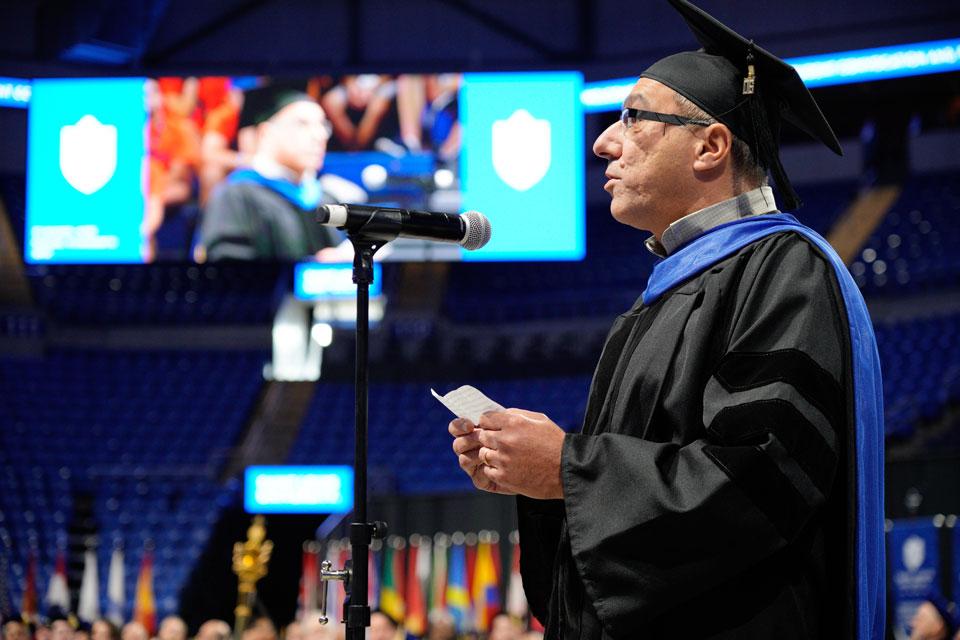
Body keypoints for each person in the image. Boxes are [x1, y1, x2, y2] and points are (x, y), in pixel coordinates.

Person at [447, 1, 885, 638]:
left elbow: (760, 484)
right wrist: (540, 478)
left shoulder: (784, 269)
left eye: (632, 116)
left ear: (711, 146)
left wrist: (568, 467)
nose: (603, 142)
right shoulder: (667, 293)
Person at [198, 86, 360, 262]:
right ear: (266, 133)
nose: (319, 135)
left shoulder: (326, 199)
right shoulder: (235, 197)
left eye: (323, 125)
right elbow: (228, 275)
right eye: (302, 124)